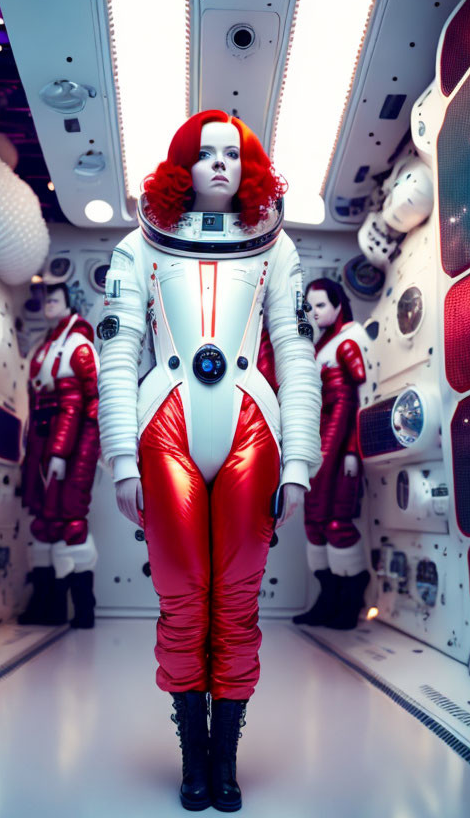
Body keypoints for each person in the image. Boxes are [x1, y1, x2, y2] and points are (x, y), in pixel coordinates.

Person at [97, 110, 322, 811]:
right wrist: (121, 461)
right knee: (181, 596)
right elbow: (117, 353)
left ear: (250, 167)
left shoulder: (275, 249)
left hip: (254, 425)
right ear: (180, 168)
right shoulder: (140, 246)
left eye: (232, 153)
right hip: (165, 425)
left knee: (238, 600)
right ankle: (193, 760)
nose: (219, 164)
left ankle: (225, 762)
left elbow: (294, 353)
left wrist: (299, 464)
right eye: (204, 154)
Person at [19, 282, 100, 629]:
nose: (48, 305)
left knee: (69, 519)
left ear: (69, 303)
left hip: (68, 440)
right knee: (43, 520)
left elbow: (77, 405)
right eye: (46, 300)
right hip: (44, 438)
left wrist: (60, 452)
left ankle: (82, 610)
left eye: (54, 299)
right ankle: (48, 606)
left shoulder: (78, 347)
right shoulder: (46, 347)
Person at [292, 278, 370, 630]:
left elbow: (356, 399)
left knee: (336, 523)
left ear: (338, 305)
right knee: (314, 523)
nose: (315, 312)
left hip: (339, 451)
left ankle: (349, 602)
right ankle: (329, 600)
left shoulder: (348, 340)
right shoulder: (322, 346)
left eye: (321, 305)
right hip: (320, 444)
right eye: (310, 307)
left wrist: (351, 449)